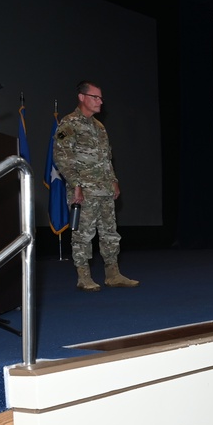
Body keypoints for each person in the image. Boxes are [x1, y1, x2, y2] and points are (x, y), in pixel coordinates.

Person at [53, 81, 138, 292]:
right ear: (82, 97)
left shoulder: (99, 127)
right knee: (83, 234)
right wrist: (76, 185)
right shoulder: (68, 123)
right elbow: (62, 158)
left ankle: (113, 274)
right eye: (95, 97)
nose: (100, 101)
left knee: (110, 232)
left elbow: (106, 158)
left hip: (104, 190)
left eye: (101, 98)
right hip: (84, 190)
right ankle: (84, 277)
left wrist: (114, 181)